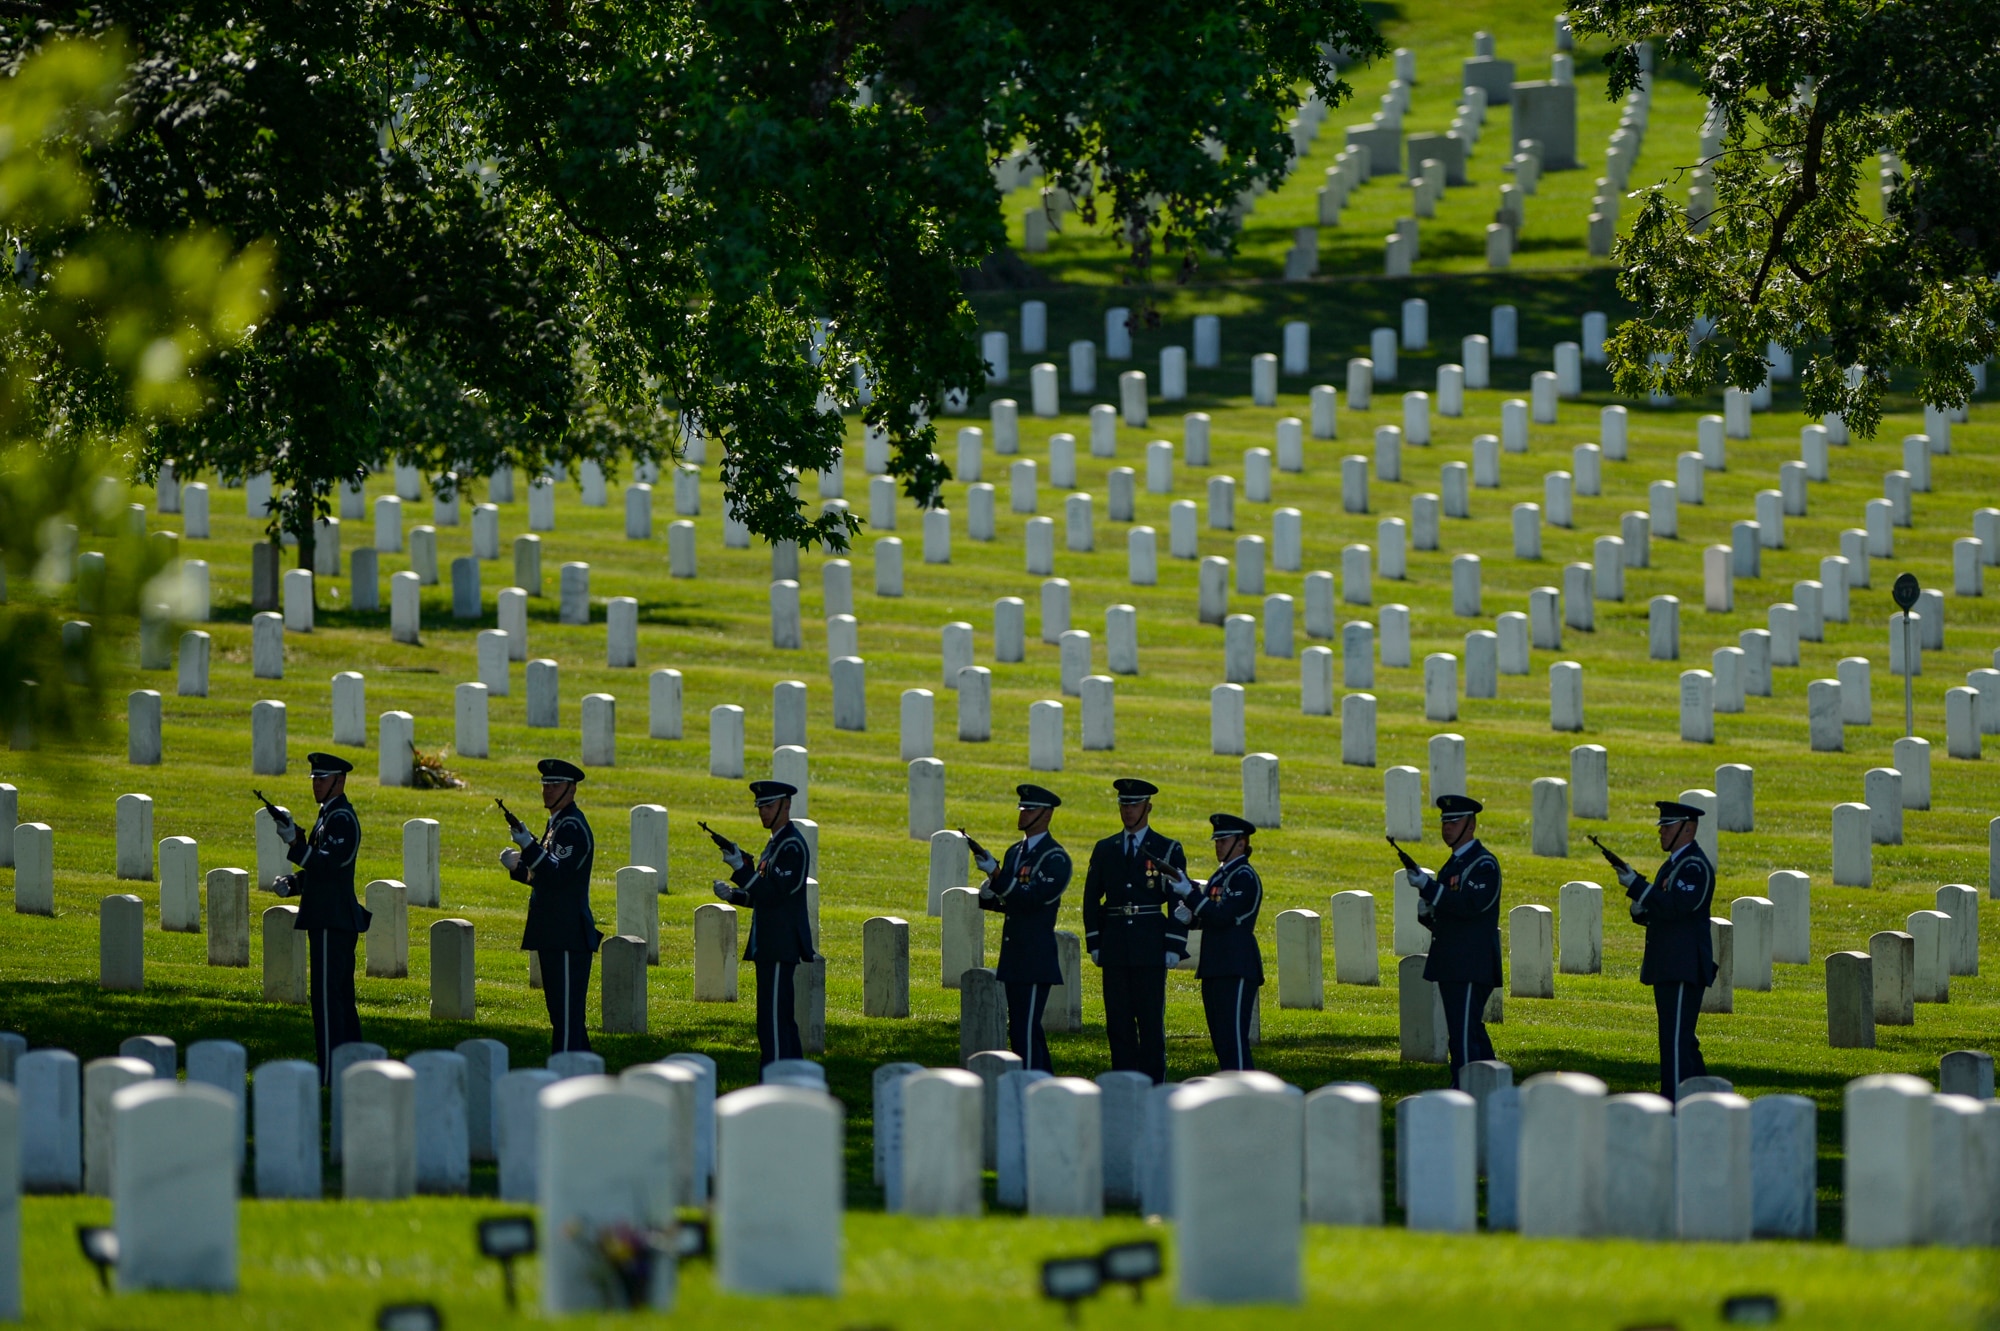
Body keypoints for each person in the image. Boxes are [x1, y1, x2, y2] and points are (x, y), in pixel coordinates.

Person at [270, 753, 370, 1084]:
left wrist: (295, 845)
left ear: (339, 781)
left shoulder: (342, 818)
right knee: (336, 1000)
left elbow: (330, 865)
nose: (316, 783)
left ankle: (330, 1074)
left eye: (322, 778)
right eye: (314, 778)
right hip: (328, 918)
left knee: (329, 1002)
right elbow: (320, 873)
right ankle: (350, 1069)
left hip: (333, 920)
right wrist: (294, 883)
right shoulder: (328, 816)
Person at [1607, 801, 1718, 1098]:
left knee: (1677, 1040)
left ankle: (1677, 1098)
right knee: (1676, 1038)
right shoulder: (1672, 865)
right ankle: (1702, 1096)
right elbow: (1661, 913)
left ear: (1688, 828)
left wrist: (1637, 886)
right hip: (1668, 963)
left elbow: (1677, 909)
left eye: (1668, 826)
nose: (1662, 832)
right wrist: (1640, 908)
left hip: (1683, 965)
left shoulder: (1694, 866)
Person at [1081, 778, 1188, 1084]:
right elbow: (1091, 898)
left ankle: (1153, 1083)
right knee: (1118, 1021)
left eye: (1134, 805)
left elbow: (1177, 897)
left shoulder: (1167, 849)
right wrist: (1094, 941)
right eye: (1124, 805)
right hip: (1115, 945)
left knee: (1150, 1020)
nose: (1128, 811)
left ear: (1148, 807)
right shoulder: (1106, 849)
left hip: (1149, 945)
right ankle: (1124, 1081)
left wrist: (1173, 943)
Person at [1398, 794, 1501, 1089]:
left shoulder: (1483, 865)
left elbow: (1471, 906)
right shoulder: (1453, 865)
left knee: (1465, 1035)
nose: (1447, 828)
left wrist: (1430, 889)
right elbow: (1448, 918)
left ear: (1471, 825)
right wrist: (1427, 914)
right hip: (1452, 963)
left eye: (1454, 822)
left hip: (1471, 963)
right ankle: (1492, 1088)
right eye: (1444, 822)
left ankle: (1467, 1091)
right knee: (1466, 1032)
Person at [711, 780, 815, 1066]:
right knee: (773, 1020)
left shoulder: (791, 845)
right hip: (768, 945)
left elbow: (775, 894)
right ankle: (791, 1077)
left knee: (774, 1022)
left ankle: (777, 1080)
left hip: (781, 944)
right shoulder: (775, 844)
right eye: (760, 807)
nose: (763, 813)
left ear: (786, 804)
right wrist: (734, 895)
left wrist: (740, 869)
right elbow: (761, 896)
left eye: (768, 806)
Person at [501, 759, 601, 1056]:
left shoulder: (571, 826)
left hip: (568, 933)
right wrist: (520, 865)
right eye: (545, 784)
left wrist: (529, 847)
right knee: (561, 1016)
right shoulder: (556, 824)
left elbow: (558, 875)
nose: (547, 790)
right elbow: (542, 878)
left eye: (555, 785)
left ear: (571, 789)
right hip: (554, 932)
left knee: (568, 1019)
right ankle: (582, 1074)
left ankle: (570, 1077)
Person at [973, 784, 1072, 1073]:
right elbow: (1011, 902)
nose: (1022, 813)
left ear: (1046, 814)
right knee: (1023, 1028)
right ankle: (1046, 1087)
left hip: (1034, 956)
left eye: (1029, 809)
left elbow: (1033, 900)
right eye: (1022, 808)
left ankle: (1029, 1088)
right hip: (1014, 953)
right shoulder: (1015, 852)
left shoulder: (1055, 858)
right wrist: (990, 893)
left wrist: (997, 875)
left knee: (1024, 1032)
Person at [1171, 813, 1265, 1071]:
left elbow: (1224, 917)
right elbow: (1210, 917)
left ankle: (1247, 1097)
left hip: (1235, 965)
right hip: (1215, 965)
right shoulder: (1220, 876)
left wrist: (1190, 895)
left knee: (1234, 1041)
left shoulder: (1244, 876)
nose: (1218, 845)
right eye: (1217, 840)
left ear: (1241, 843)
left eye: (1224, 840)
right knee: (1221, 1042)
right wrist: (1191, 918)